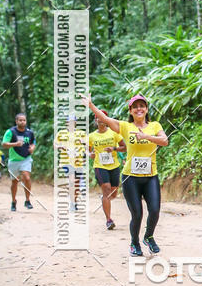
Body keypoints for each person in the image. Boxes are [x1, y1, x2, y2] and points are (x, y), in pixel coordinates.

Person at [82, 94, 168, 256]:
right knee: (137, 214)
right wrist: (91, 105)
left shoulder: (155, 125)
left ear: (146, 109)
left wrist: (146, 136)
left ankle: (149, 237)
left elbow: (164, 140)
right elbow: (105, 119)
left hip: (151, 177)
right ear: (130, 111)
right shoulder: (125, 126)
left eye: (142, 106)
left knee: (155, 210)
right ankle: (134, 243)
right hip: (130, 178)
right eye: (135, 107)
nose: (139, 109)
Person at [88, 111, 125, 230]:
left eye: (103, 117)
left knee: (113, 193)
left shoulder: (114, 133)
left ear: (106, 120)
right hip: (100, 166)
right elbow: (87, 150)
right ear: (96, 120)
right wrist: (90, 154)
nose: (101, 120)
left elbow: (124, 147)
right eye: (98, 118)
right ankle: (109, 220)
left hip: (114, 166)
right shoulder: (91, 136)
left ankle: (105, 199)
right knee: (106, 190)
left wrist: (114, 148)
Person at [2, 113, 36, 211]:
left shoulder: (29, 132)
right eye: (20, 120)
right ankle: (13, 201)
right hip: (13, 160)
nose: (22, 122)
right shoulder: (11, 132)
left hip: (26, 159)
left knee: (27, 178)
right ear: (16, 121)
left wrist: (32, 148)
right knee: (14, 182)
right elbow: (4, 144)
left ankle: (27, 200)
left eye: (24, 120)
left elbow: (33, 142)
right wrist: (15, 144)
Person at [54, 116, 87, 211]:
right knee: (72, 180)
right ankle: (72, 203)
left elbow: (88, 144)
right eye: (70, 121)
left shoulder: (81, 133)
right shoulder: (61, 133)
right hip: (66, 161)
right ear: (66, 123)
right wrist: (60, 146)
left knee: (76, 184)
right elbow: (55, 144)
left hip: (78, 161)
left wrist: (83, 146)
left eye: (73, 121)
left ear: (76, 122)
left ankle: (74, 202)